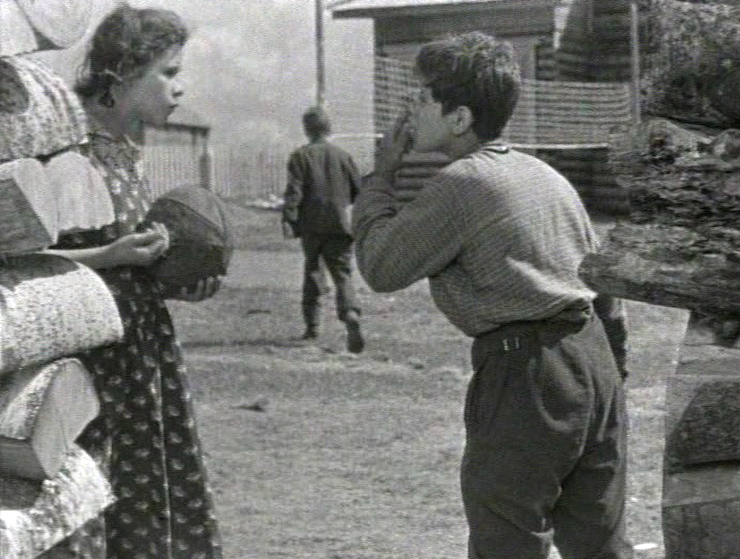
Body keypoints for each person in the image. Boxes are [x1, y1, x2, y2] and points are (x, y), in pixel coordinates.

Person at [352, 32, 632, 559]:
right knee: (600, 544)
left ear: (458, 118)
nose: (411, 110)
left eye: (422, 98)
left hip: (528, 373)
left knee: (508, 541)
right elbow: (606, 288)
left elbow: (380, 267)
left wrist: (381, 179)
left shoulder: (462, 182)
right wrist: (615, 376)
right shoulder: (544, 175)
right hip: (594, 361)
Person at [47, 5, 222, 558]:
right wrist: (112, 254)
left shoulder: (127, 156)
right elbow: (26, 262)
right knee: (89, 503)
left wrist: (173, 282)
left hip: (141, 360)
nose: (180, 87)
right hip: (89, 372)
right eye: (168, 73)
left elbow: (128, 269)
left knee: (142, 505)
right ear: (121, 75)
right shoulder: (66, 158)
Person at [282, 106, 364, 353]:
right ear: (330, 129)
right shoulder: (343, 156)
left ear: (307, 130)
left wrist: (289, 219)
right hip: (340, 224)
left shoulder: (300, 156)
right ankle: (350, 312)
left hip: (312, 226)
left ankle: (312, 326)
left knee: (313, 272)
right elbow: (358, 190)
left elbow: (294, 191)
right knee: (343, 273)